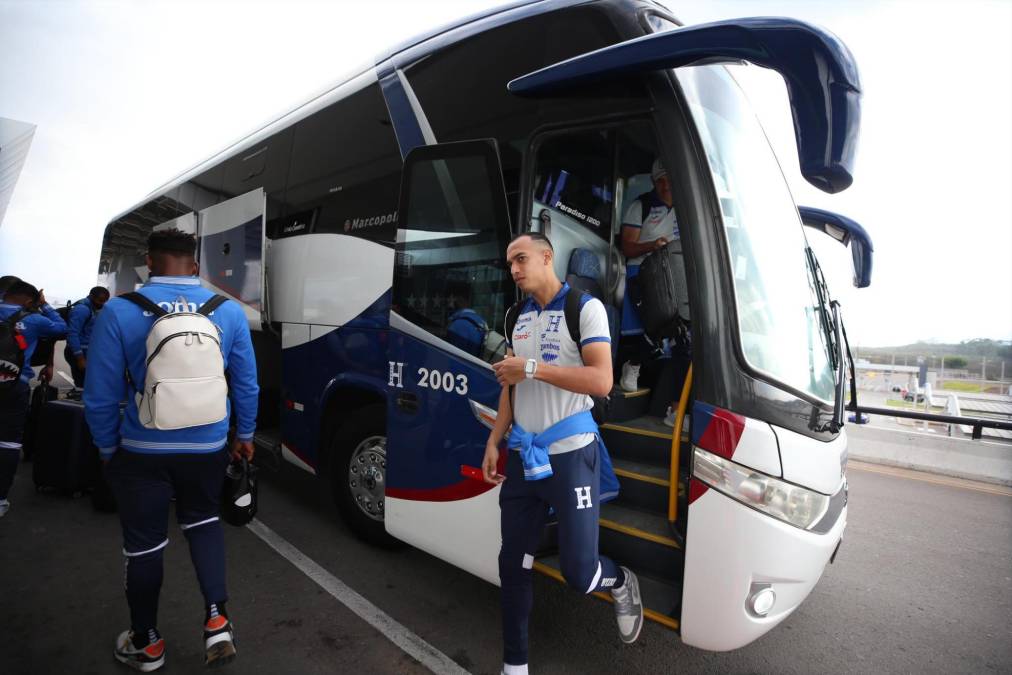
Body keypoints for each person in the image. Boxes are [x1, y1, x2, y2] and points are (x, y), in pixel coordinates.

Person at [84, 228, 259, 671]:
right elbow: (245, 383)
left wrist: (107, 448)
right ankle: (217, 621)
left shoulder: (119, 310)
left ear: (149, 262)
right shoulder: (228, 311)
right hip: (208, 445)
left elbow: (100, 394)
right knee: (204, 523)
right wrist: (245, 434)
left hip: (142, 449)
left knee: (144, 545)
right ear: (195, 265)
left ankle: (147, 643)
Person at [482, 232, 643, 675]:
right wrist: (495, 440)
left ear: (547, 257)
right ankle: (514, 666)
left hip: (571, 455)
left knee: (579, 574)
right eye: (510, 263)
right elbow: (511, 386)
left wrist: (532, 367)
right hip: (523, 456)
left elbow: (602, 381)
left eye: (521, 259)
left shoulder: (585, 308)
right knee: (512, 564)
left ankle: (620, 580)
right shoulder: (516, 316)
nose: (514, 269)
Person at [618, 159, 681, 423]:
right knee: (652, 327)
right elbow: (627, 247)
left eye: (670, 179)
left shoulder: (685, 207)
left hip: (672, 276)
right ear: (654, 182)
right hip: (642, 273)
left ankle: (666, 401)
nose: (666, 186)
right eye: (661, 180)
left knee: (672, 333)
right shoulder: (640, 205)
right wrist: (653, 245)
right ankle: (632, 366)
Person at [0, 281, 67, 517]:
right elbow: (63, 328)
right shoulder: (34, 320)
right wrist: (45, 305)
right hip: (14, 384)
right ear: (29, 300)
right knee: (8, 443)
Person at [65, 285, 110, 392]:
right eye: (100, 300)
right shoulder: (82, 310)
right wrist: (80, 359)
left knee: (89, 384)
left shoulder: (92, 309)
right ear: (91, 296)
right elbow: (72, 334)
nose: (103, 304)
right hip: (79, 353)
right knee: (83, 386)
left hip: (87, 352)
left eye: (105, 301)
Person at [446, 281, 488, 358]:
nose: (448, 301)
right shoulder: (481, 321)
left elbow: (454, 357)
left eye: (450, 298)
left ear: (460, 299)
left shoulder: (459, 325)